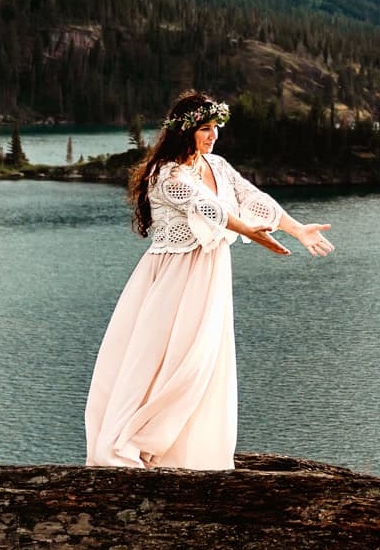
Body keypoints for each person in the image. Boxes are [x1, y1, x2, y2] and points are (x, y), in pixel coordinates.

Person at [85, 90, 334, 469]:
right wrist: (256, 236)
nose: (212, 135)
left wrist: (297, 230)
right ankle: (134, 441)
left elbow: (252, 197)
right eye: (204, 128)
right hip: (174, 275)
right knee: (170, 359)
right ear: (184, 130)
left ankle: (185, 452)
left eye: (215, 127)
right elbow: (211, 210)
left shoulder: (216, 165)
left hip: (210, 271)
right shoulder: (165, 175)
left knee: (205, 360)